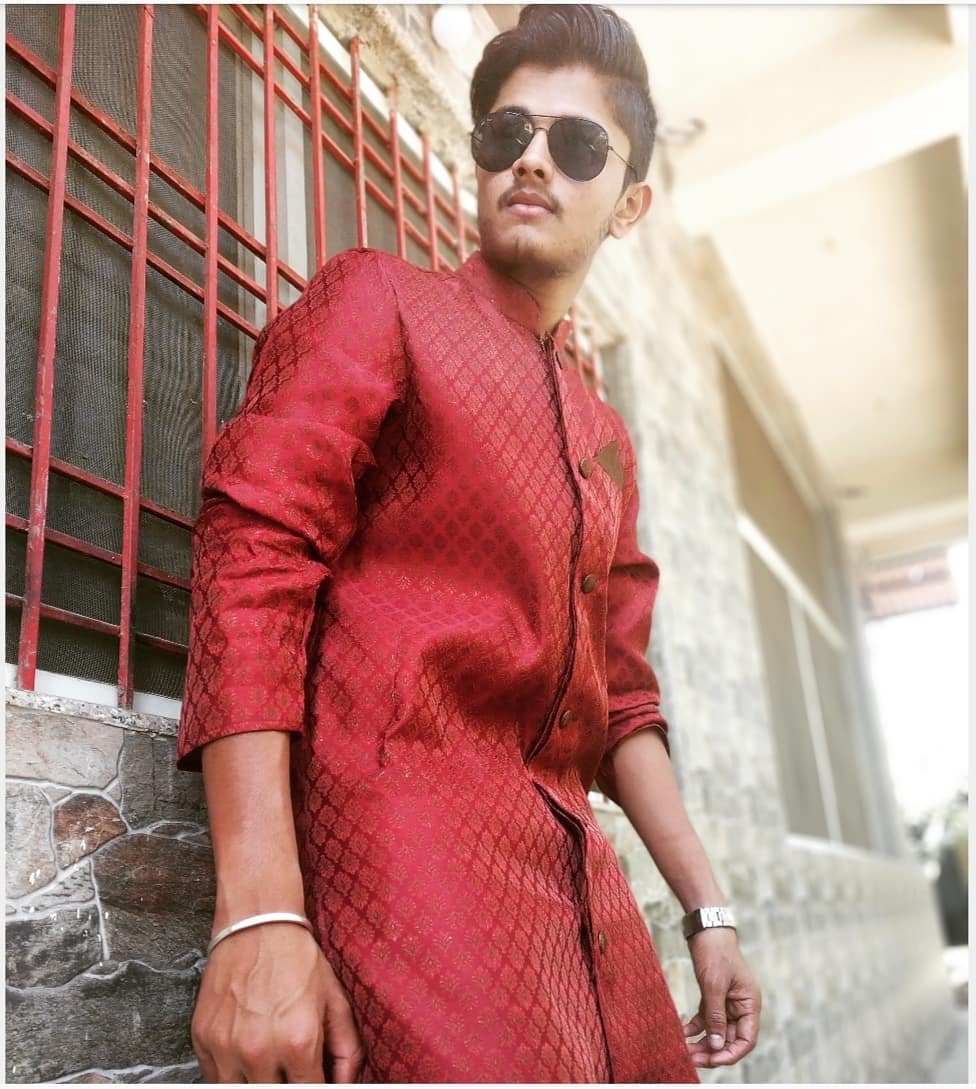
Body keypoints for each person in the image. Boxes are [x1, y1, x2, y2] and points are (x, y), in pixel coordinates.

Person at [177, 5, 761, 1083]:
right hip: (410, 865)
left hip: (587, 893)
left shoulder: (605, 438)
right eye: (506, 134)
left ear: (628, 203)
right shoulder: (379, 301)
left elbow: (624, 697)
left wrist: (706, 911)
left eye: (576, 144)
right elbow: (252, 554)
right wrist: (257, 910)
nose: (532, 159)